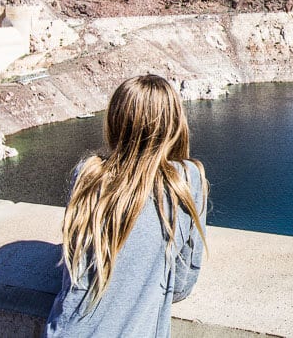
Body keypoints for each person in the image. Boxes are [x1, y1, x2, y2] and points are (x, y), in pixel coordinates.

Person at [44, 74, 208, 337]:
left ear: (115, 121)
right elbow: (180, 286)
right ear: (174, 124)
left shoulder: (86, 175)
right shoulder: (187, 180)